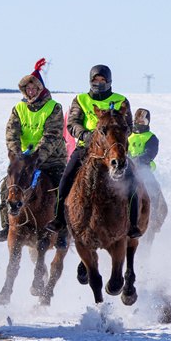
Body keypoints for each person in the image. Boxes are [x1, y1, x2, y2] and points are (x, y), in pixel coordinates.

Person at [45, 64, 141, 238]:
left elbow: (129, 127)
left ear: (109, 81)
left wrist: (114, 134)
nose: (99, 83)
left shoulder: (121, 101)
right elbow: (72, 124)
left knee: (132, 183)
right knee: (65, 180)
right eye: (95, 80)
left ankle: (133, 224)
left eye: (102, 80)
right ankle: (59, 219)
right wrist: (87, 136)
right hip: (87, 149)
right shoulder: (81, 100)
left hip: (114, 151)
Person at [0, 58, 67, 246]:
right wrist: (18, 157)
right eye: (27, 89)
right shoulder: (18, 108)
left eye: (34, 88)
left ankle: (62, 230)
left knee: (62, 189)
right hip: (24, 161)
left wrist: (36, 158)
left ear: (40, 88)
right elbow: (11, 133)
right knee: (6, 188)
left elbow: (53, 135)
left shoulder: (54, 108)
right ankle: (8, 226)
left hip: (51, 160)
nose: (31, 91)